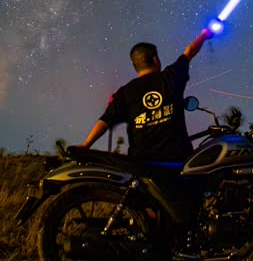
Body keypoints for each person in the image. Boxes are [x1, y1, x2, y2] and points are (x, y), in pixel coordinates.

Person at [79, 27, 214, 162]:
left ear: (135, 66)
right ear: (155, 60)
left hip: (141, 166)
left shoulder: (125, 92)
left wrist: (86, 145)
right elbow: (190, 51)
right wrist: (204, 35)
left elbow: (105, 120)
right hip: (177, 163)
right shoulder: (170, 76)